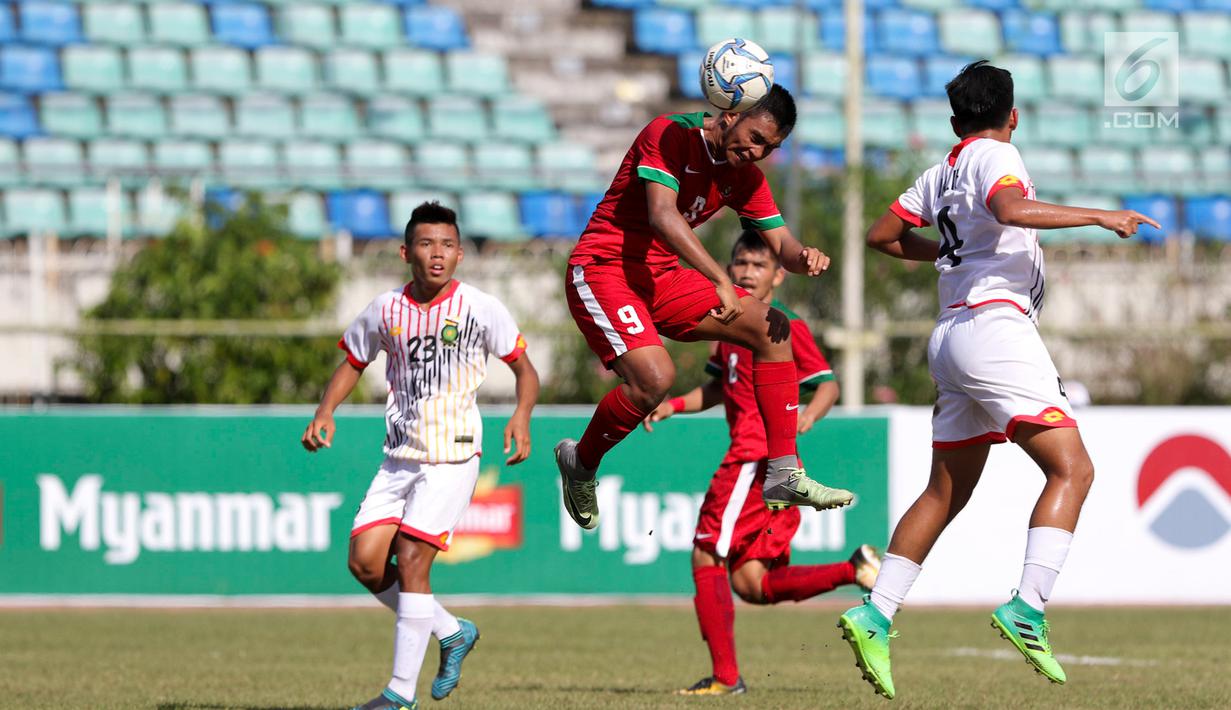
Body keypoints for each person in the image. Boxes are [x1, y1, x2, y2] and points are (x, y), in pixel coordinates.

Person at [837, 61, 1159, 700]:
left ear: (954, 120)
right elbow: (1009, 208)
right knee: (1074, 470)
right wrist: (1101, 216)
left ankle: (876, 612)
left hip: (950, 337)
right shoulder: (993, 157)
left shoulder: (942, 171)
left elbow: (882, 235)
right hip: (995, 332)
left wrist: (952, 254)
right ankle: (1028, 608)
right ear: (1013, 116)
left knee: (945, 492)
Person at [555, 85, 854, 533]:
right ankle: (580, 463)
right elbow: (662, 214)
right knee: (655, 378)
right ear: (731, 114)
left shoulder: (746, 177)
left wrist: (803, 255)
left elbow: (782, 244)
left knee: (775, 327)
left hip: (661, 277)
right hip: (605, 268)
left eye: (769, 148)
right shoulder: (670, 134)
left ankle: (782, 473)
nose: (757, 152)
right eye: (755, 137)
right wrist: (719, 277)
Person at [301, 202, 540, 710]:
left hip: (452, 456)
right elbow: (353, 358)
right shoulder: (386, 308)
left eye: (448, 245)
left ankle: (398, 695)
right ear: (406, 251)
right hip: (399, 456)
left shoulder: (480, 307)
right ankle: (452, 632)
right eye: (428, 244)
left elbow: (525, 370)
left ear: (459, 254)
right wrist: (326, 410)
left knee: (411, 559)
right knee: (365, 564)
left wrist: (521, 416)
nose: (438, 254)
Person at [643, 231, 881, 696]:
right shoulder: (727, 324)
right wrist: (672, 405)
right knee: (753, 583)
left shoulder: (780, 323)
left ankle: (725, 679)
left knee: (706, 552)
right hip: (764, 463)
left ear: (778, 274)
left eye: (758, 264)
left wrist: (808, 416)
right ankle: (854, 569)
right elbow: (716, 390)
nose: (747, 271)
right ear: (728, 268)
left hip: (755, 457)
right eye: (740, 263)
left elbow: (826, 383)